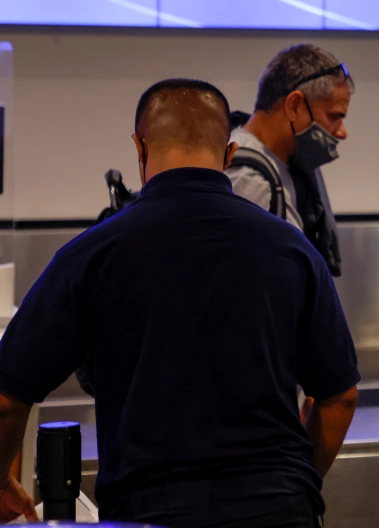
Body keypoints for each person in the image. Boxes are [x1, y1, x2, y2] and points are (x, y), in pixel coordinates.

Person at [0, 79, 360, 527]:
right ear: (228, 156)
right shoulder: (293, 250)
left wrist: (0, 481)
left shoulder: (92, 254)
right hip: (279, 509)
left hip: (147, 513)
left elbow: (8, 397)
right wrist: (300, 482)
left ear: (139, 146)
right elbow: (339, 398)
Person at [229, 44, 353, 277]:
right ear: (294, 106)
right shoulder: (249, 176)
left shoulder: (287, 163)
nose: (342, 132)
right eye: (334, 116)